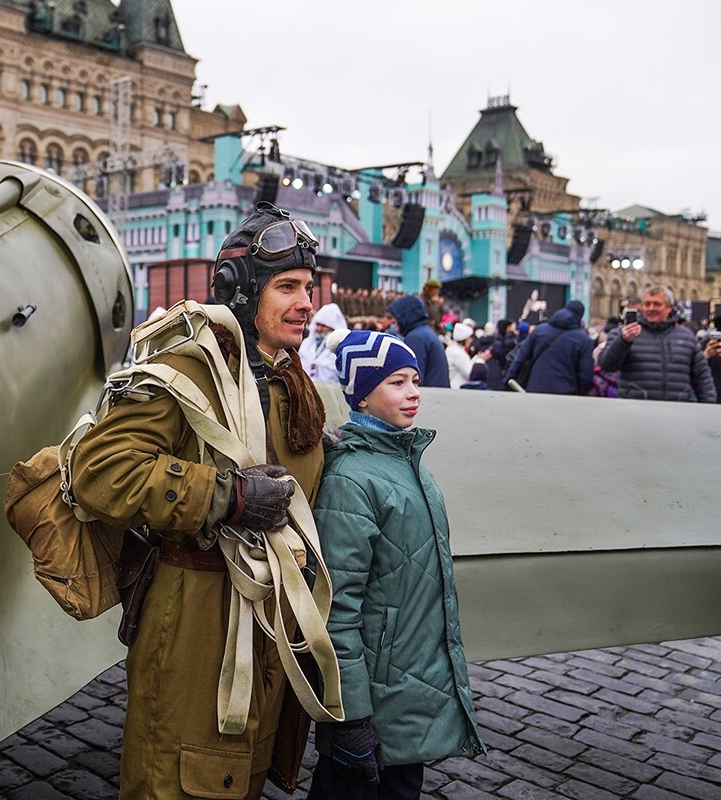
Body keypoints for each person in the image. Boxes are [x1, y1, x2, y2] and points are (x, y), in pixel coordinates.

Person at [71, 203, 326, 799]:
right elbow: (99, 469)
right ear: (242, 293)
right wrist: (228, 497)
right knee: (183, 777)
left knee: (246, 769)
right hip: (195, 622)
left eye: (308, 287)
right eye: (287, 287)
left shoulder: (291, 380)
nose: (306, 301)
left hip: (269, 623)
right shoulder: (190, 370)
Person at [308, 329, 483, 799]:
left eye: (415, 380)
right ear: (362, 397)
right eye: (396, 383)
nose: (413, 393)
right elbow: (335, 607)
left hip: (405, 690)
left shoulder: (408, 460)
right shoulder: (352, 478)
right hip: (375, 701)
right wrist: (350, 718)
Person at [599, 286, 716, 402]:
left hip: (676, 411)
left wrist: (709, 408)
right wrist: (623, 341)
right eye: (647, 304)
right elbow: (607, 365)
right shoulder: (622, 333)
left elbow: (702, 378)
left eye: (657, 304)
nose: (651, 308)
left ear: (669, 307)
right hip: (636, 410)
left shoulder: (687, 337)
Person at [504, 300, 594, 395]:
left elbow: (520, 359)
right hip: (566, 394)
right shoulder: (583, 340)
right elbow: (585, 374)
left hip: (535, 390)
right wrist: (580, 393)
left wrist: (508, 381)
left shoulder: (539, 331)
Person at [387, 294, 449, 388]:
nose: (393, 322)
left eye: (396, 318)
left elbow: (413, 379)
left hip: (428, 398)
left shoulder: (416, 338)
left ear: (405, 316)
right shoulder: (426, 332)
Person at [300, 302, 349, 384]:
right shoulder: (306, 344)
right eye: (317, 325)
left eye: (323, 326)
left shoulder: (341, 351)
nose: (319, 329)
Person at [445, 322, 475, 389]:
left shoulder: (452, 349)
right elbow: (469, 373)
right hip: (458, 388)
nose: (471, 340)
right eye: (469, 338)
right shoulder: (458, 353)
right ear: (464, 339)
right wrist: (480, 360)